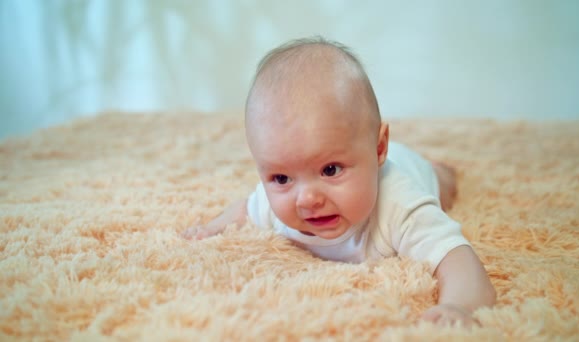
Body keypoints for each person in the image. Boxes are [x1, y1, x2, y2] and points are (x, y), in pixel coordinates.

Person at [182, 36, 496, 327]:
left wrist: (460, 307)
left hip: (413, 167)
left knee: (442, 186)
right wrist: (212, 228)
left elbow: (457, 258)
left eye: (330, 170)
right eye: (281, 177)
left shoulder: (402, 206)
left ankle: (441, 170)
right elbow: (243, 210)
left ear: (378, 149)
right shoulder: (274, 202)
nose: (306, 199)